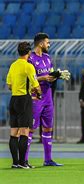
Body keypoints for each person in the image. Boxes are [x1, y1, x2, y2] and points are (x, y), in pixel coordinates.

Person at [28, 33, 70, 167]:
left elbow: (49, 74)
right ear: (40, 44)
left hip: (48, 97)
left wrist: (57, 76)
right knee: (30, 129)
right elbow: (29, 77)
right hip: (36, 97)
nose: (49, 45)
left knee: (48, 128)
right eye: (47, 42)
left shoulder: (47, 58)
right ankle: (24, 160)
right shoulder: (30, 59)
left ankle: (48, 159)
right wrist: (43, 78)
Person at [6, 42, 42, 169]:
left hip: (13, 99)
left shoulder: (13, 65)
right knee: (24, 131)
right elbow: (36, 84)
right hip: (24, 100)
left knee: (14, 132)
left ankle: (15, 162)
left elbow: (9, 85)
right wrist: (39, 93)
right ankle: (23, 162)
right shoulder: (28, 66)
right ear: (29, 53)